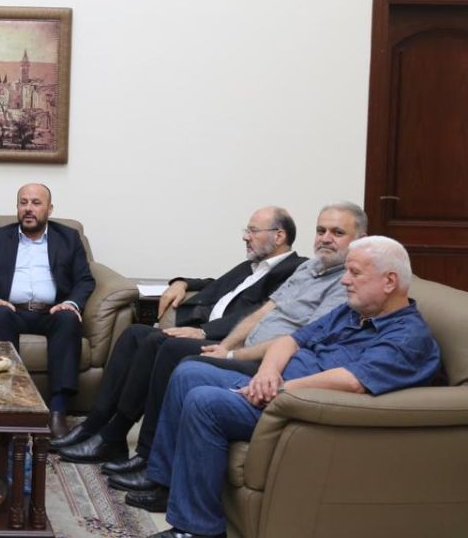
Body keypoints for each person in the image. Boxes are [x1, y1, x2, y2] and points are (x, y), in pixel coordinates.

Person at [137, 236, 441, 538]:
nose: (345, 281)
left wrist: (281, 389)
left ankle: (198, 530)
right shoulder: (353, 312)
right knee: (189, 372)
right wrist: (267, 372)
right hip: (279, 387)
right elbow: (290, 340)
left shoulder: (408, 338)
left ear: (389, 282)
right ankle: (167, 485)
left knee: (204, 402)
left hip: (301, 408)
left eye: (355, 273)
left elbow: (352, 381)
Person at [106, 203, 364, 496]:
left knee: (178, 358)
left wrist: (231, 354)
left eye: (337, 232)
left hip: (270, 363)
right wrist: (225, 346)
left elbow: (300, 339)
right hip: (243, 348)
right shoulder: (309, 268)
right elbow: (264, 311)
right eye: (321, 230)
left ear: (360, 238)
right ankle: (121, 442)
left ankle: (153, 464)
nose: (325, 238)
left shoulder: (347, 283)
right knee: (153, 341)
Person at [57, 206, 304, 464]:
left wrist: (202, 331)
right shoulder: (252, 266)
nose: (246, 236)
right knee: (134, 334)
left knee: (158, 341)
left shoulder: (295, 270)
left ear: (279, 236)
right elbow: (215, 284)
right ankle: (94, 424)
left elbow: (261, 313)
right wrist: (181, 282)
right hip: (207, 332)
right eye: (247, 230)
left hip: (229, 343)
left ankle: (119, 437)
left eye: (253, 231)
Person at [0, 183, 95, 440]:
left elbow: (84, 280)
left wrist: (71, 303)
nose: (28, 208)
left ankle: (57, 413)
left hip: (52, 312)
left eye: (36, 203)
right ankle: (0, 410)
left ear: (50, 209)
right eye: (23, 202)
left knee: (68, 319)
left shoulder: (69, 238)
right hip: (10, 310)